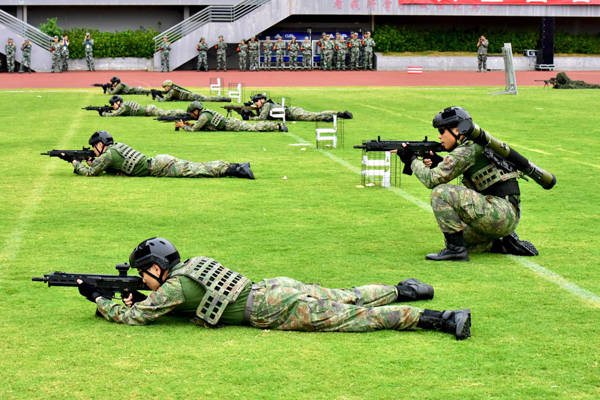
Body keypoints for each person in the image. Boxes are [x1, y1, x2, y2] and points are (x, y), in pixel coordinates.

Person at [76, 237, 472, 340]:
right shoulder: (191, 267)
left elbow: (136, 317)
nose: (143, 279)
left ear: (159, 269)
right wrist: (143, 294)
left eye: (145, 273)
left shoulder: (174, 288)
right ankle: (406, 289)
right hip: (272, 287)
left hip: (271, 310)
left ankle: (439, 319)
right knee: (346, 294)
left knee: (353, 317)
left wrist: (99, 302)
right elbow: (178, 302)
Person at [393, 106, 538, 261]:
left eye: (442, 131)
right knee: (460, 237)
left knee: (440, 193)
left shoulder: (467, 149)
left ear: (457, 130)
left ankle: (456, 252)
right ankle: (502, 243)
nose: (439, 136)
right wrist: (438, 161)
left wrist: (411, 160)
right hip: (504, 213)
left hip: (501, 213)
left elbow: (431, 180)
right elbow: (458, 171)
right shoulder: (474, 144)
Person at [69, 131, 255, 179]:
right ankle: (235, 167)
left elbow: (91, 173)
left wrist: (76, 164)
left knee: (198, 169)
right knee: (197, 167)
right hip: (158, 162)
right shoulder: (115, 148)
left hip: (159, 167)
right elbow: (108, 167)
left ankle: (236, 169)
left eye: (94, 147)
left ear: (101, 144)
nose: (93, 150)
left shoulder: (108, 155)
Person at [175, 101, 287, 133]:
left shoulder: (203, 116)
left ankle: (277, 127)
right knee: (254, 126)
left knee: (254, 127)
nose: (191, 115)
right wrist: (188, 124)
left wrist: (183, 126)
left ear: (196, 110)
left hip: (231, 125)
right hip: (230, 122)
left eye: (191, 113)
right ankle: (277, 126)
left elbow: (194, 130)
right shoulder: (204, 114)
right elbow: (200, 126)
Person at [249, 93, 353, 122]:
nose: (255, 104)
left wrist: (251, 118)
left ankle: (338, 115)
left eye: (256, 102)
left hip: (292, 113)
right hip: (292, 112)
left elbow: (262, 118)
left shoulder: (266, 105)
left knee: (314, 116)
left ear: (262, 100)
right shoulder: (266, 104)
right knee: (315, 114)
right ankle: (335, 115)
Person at [99, 95, 187, 117]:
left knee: (167, 113)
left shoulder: (123, 107)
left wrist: (103, 113)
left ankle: (183, 112)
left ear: (118, 102)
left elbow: (114, 114)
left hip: (149, 110)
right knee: (166, 112)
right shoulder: (124, 105)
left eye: (113, 104)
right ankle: (182, 112)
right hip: (149, 108)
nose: (112, 106)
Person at [156, 80, 231, 102]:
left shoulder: (172, 91)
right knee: (207, 98)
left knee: (207, 98)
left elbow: (165, 100)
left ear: (169, 86)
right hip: (192, 96)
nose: (165, 89)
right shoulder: (173, 89)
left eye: (165, 87)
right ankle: (223, 98)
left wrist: (158, 96)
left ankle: (223, 98)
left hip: (193, 97)